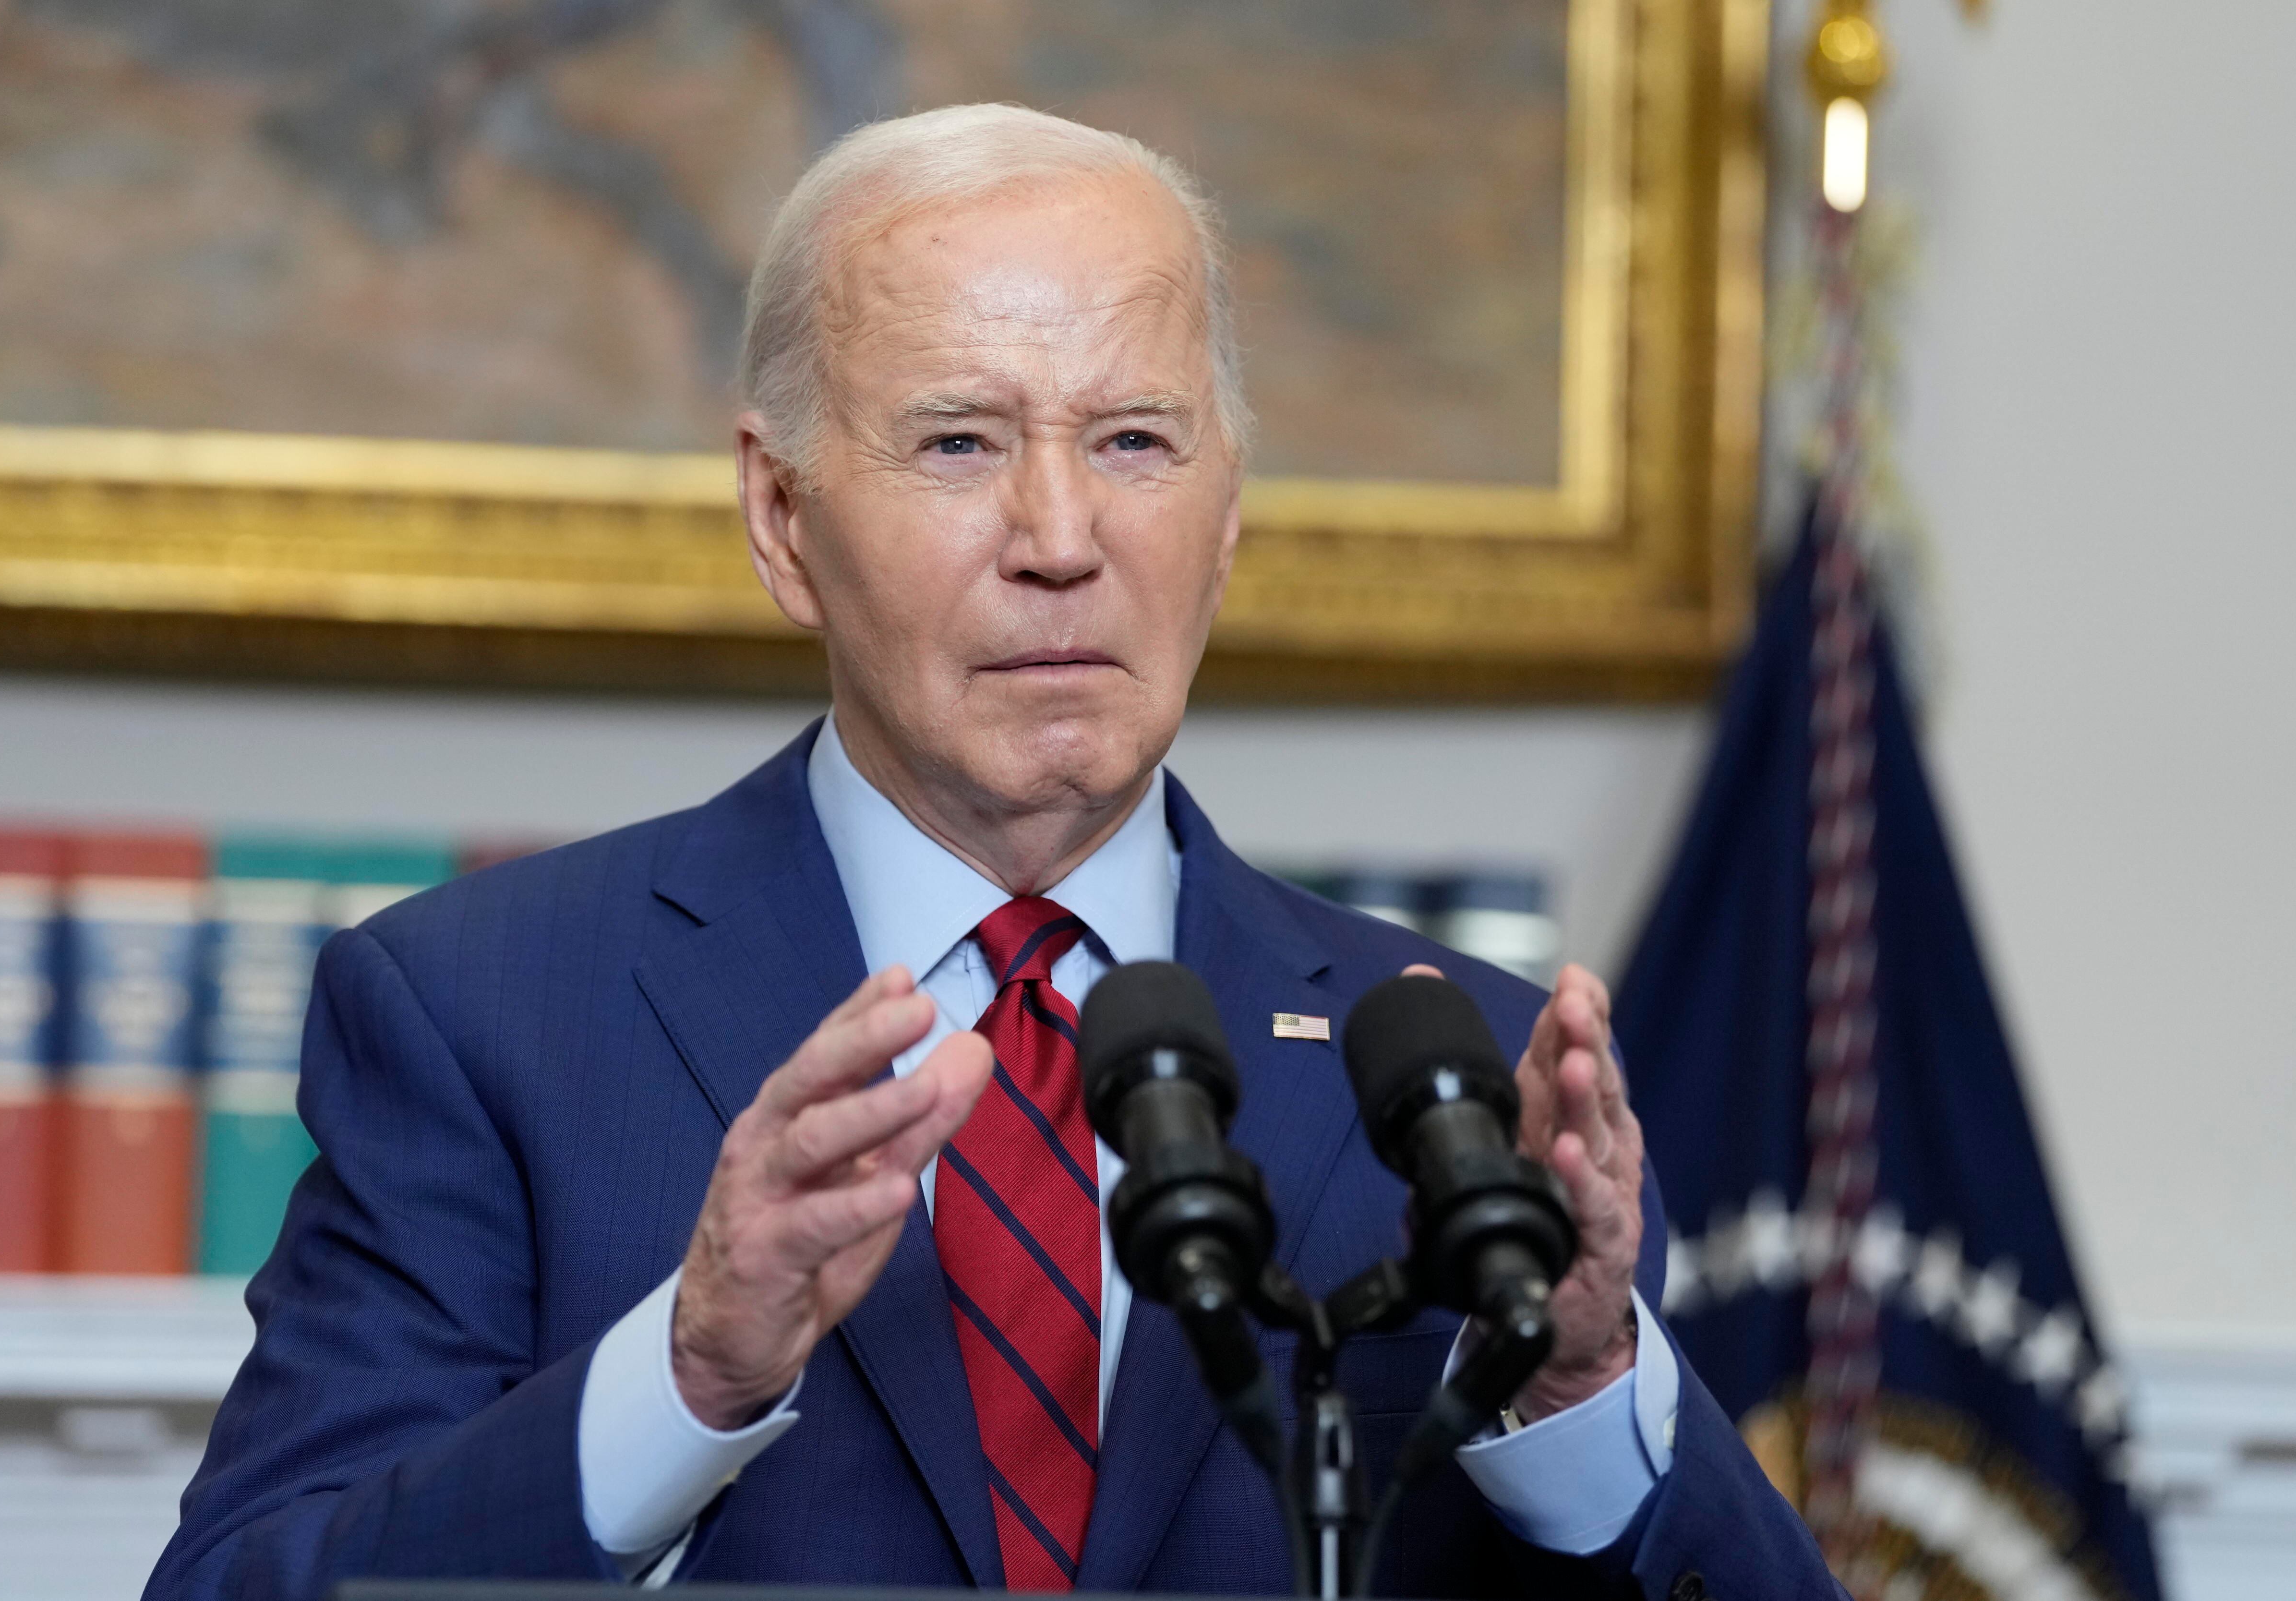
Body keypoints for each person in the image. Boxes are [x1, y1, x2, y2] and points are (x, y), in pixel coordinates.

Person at [148, 105, 1838, 1600]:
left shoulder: (1465, 1081)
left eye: (1134, 442)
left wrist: (1585, 1387)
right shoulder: (483, 1016)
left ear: (1228, 513)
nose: (1060, 539)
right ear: (784, 519)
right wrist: (682, 1377)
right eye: (959, 441)